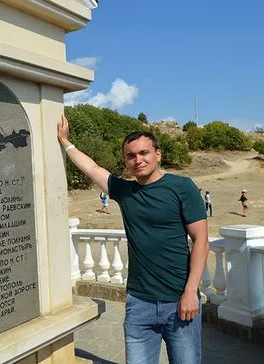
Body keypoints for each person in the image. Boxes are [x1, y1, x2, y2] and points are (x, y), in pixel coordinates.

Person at [57, 114, 209, 364]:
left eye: (144, 153)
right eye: (131, 155)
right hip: (139, 303)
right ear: (126, 161)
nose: (138, 160)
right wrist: (65, 142)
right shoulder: (125, 191)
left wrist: (191, 291)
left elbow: (201, 241)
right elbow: (93, 168)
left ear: (157, 154)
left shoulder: (182, 187)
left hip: (179, 300)